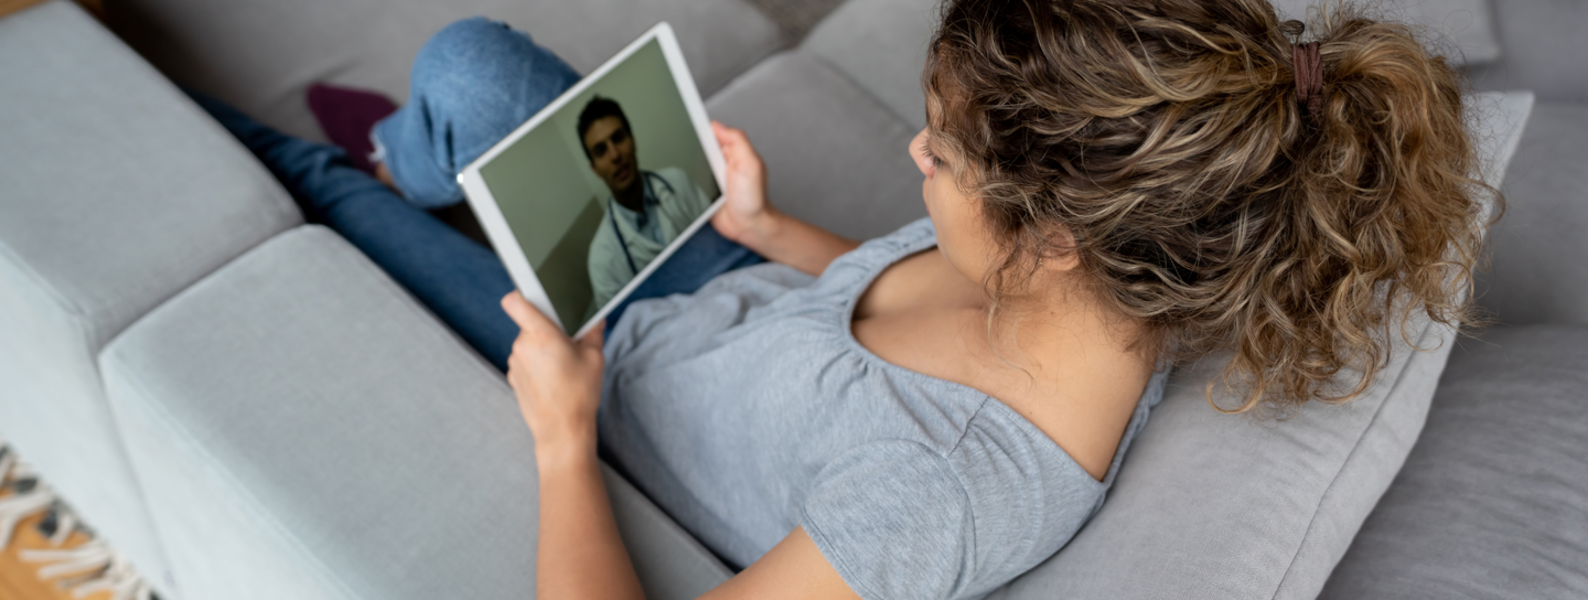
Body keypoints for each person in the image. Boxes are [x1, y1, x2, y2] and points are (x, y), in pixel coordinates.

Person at [197, 1, 1491, 598]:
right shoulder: (1102, 278)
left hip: (599, 371)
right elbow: (864, 302)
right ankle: (419, 161)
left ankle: (384, 178)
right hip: (709, 282)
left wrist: (556, 433)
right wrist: (764, 230)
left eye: (940, 152)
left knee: (305, 185)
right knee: (470, 62)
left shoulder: (942, 498)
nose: (915, 159)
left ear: (1047, 235)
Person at [575, 96, 714, 308]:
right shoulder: (602, 259)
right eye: (601, 151)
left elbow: (717, 241)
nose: (615, 155)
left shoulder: (677, 182)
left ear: (633, 140)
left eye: (618, 138)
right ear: (595, 169)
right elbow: (623, 331)